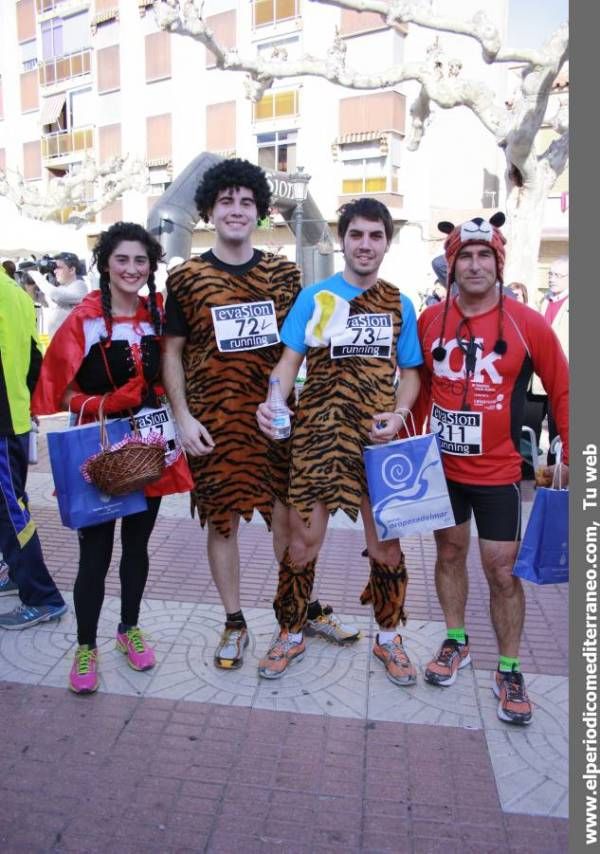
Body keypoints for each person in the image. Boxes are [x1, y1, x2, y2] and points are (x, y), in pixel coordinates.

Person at [163, 158, 360, 672]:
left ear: (260, 211)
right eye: (225, 201)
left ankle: (301, 608)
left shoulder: (283, 273)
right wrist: (182, 417)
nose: (236, 210)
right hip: (214, 423)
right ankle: (234, 621)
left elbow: (301, 347)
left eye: (246, 201)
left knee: (290, 517)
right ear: (209, 209)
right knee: (222, 523)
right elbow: (171, 353)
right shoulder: (186, 278)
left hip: (277, 421)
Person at [256, 197, 423, 682]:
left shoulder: (398, 303)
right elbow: (287, 363)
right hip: (317, 438)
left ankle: (389, 638)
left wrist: (398, 414)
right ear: (343, 240)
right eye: (356, 235)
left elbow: (409, 373)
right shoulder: (315, 297)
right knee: (303, 542)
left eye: (375, 235)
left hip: (376, 443)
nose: (365, 244)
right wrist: (274, 401)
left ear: (387, 243)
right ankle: (290, 632)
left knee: (387, 547)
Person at [415, 214, 569, 725]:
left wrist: (573, 451)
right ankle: (455, 639)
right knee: (449, 552)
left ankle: (508, 666)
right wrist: (404, 445)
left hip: (499, 472)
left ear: (498, 263)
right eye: (465, 255)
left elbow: (563, 389)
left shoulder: (529, 323)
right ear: (451, 264)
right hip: (442, 468)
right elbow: (417, 386)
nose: (475, 264)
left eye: (485, 255)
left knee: (501, 570)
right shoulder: (431, 320)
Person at [32, 222, 192, 695]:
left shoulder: (157, 315)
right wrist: (107, 403)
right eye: (122, 259)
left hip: (148, 446)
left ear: (150, 267)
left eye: (140, 261)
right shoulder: (83, 319)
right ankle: (86, 646)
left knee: (138, 547)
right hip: (97, 448)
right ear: (105, 263)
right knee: (94, 554)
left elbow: (176, 365)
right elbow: (60, 392)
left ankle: (129, 629)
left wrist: (160, 393)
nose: (131, 269)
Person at [0, 267, 67, 628]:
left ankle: (42, 596)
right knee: (10, 509)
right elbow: (34, 360)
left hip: (3, 424)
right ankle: (15, 573)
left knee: (12, 512)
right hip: (14, 420)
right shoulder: (14, 291)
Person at [525, 256, 569, 465]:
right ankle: (527, 474)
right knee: (527, 432)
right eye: (550, 274)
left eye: (558, 275)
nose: (552, 279)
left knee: (557, 435)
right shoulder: (539, 301)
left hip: (560, 378)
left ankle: (555, 477)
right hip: (534, 379)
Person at [29, 251, 88, 336]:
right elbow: (36, 298)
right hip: (55, 343)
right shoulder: (59, 288)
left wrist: (36, 276)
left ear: (72, 270)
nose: (55, 271)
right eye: (54, 268)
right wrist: (29, 282)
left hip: (70, 344)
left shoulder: (80, 286)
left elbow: (57, 295)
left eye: (59, 267)